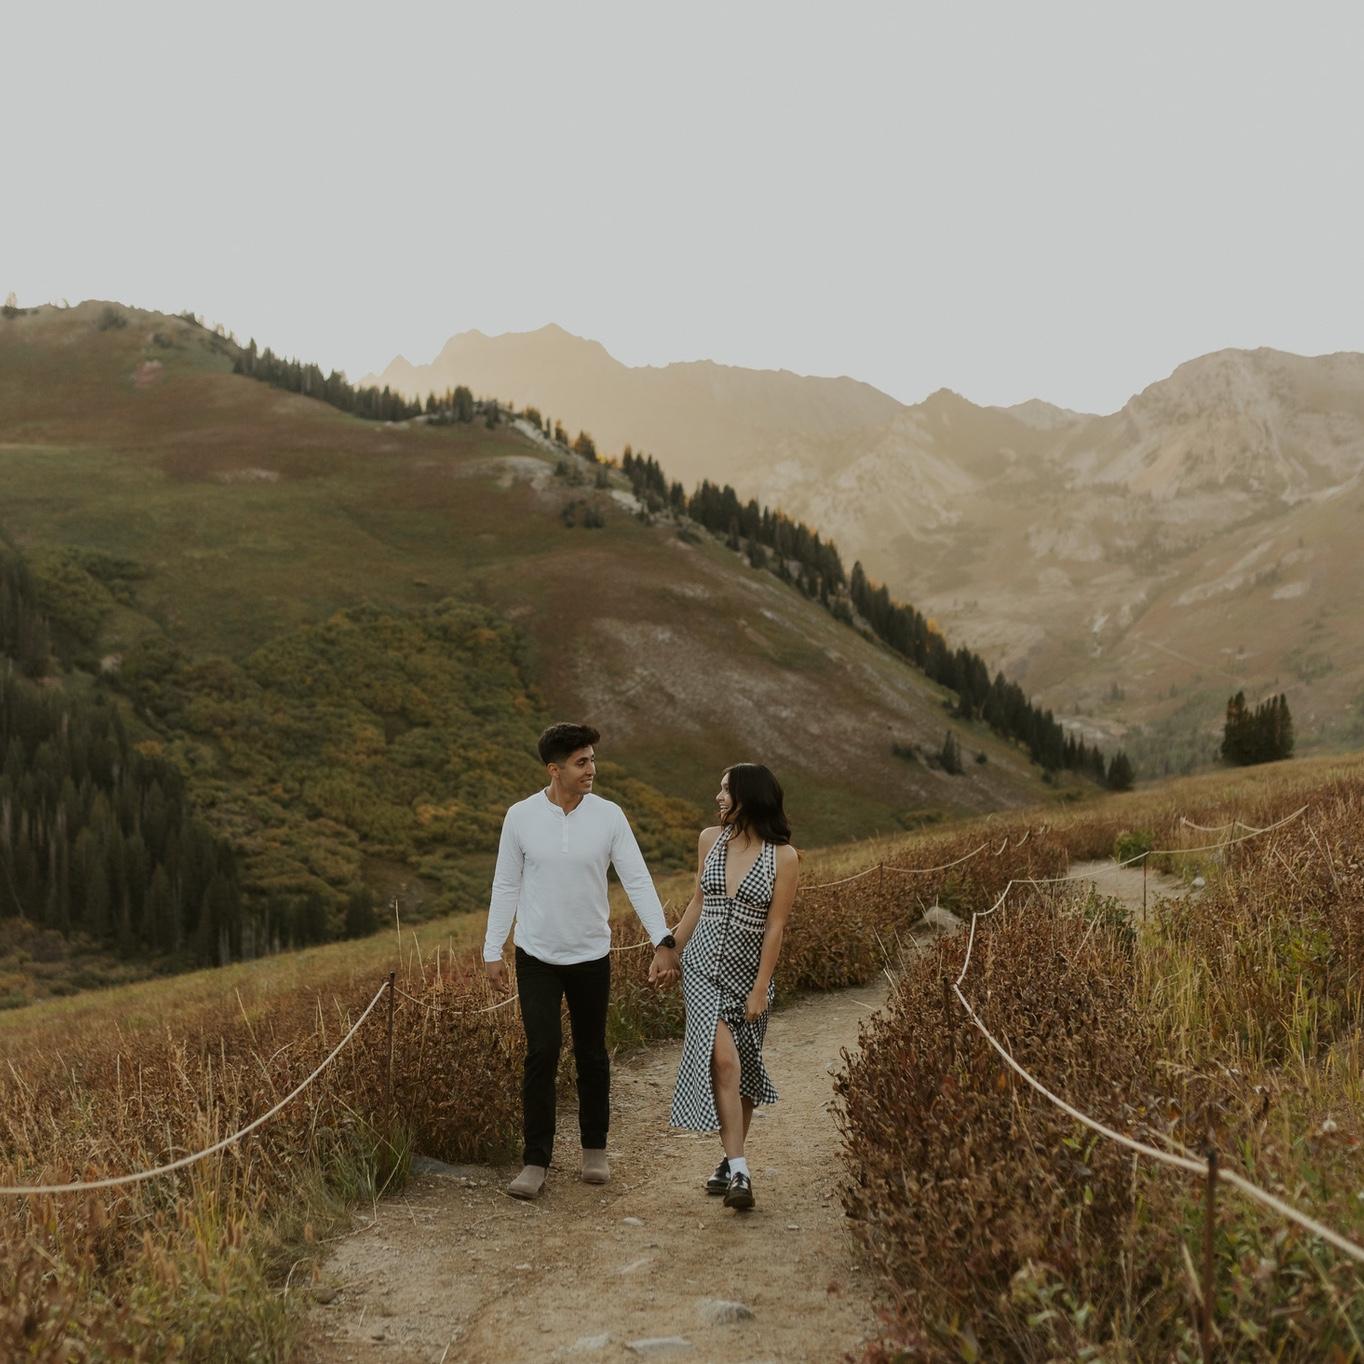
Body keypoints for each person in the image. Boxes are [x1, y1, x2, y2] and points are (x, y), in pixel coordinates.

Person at [484, 722, 680, 1200]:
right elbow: (506, 884)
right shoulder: (520, 817)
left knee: (592, 1052)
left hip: (592, 954)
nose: (592, 769)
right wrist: (493, 949)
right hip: (536, 955)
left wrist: (662, 939)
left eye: (592, 760)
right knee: (542, 1051)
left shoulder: (609, 816)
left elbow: (637, 878)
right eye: (581, 762)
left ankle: (595, 1148)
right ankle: (536, 1160)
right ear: (554, 770)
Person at [660, 763, 798, 1211]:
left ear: (749, 796)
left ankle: (728, 1161)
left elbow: (775, 928)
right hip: (701, 969)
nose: (718, 797)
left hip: (749, 977)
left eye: (726, 789)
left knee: (745, 1071)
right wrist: (669, 949)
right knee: (723, 1061)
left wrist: (761, 987)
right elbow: (697, 903)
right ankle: (741, 1171)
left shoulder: (784, 857)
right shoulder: (710, 840)